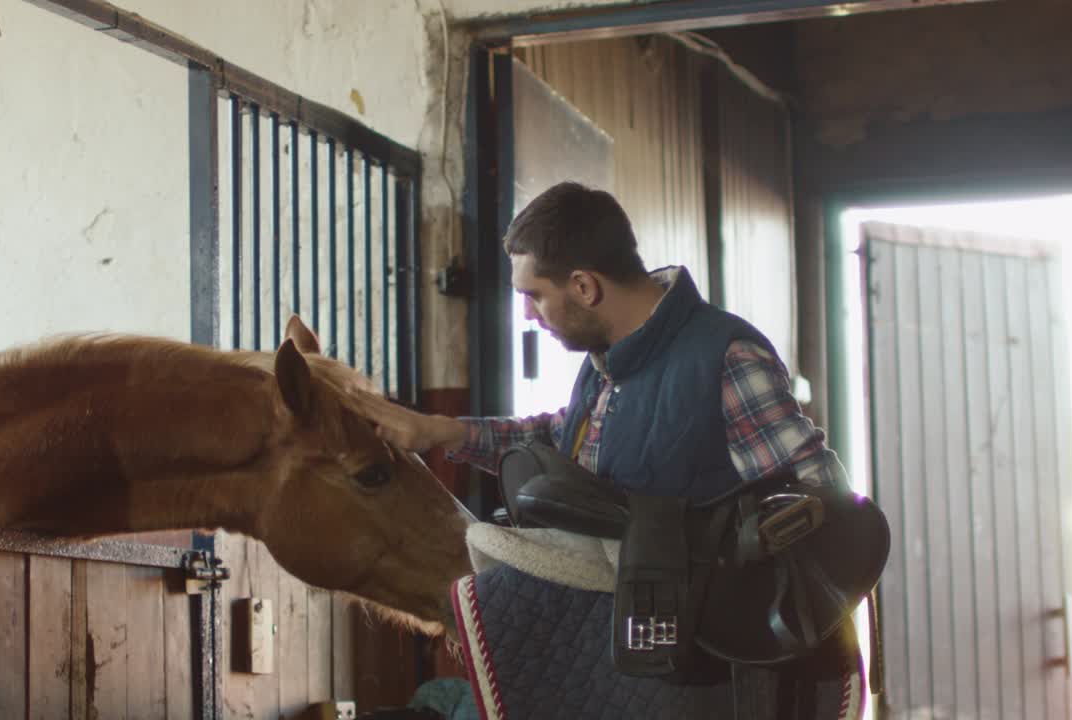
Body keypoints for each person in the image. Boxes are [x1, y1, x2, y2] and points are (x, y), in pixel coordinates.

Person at [356, 181, 849, 498]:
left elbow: (823, 504)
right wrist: (442, 432)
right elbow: (560, 436)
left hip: (713, 656)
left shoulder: (728, 360)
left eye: (534, 296)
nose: (528, 315)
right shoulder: (606, 361)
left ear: (584, 287)